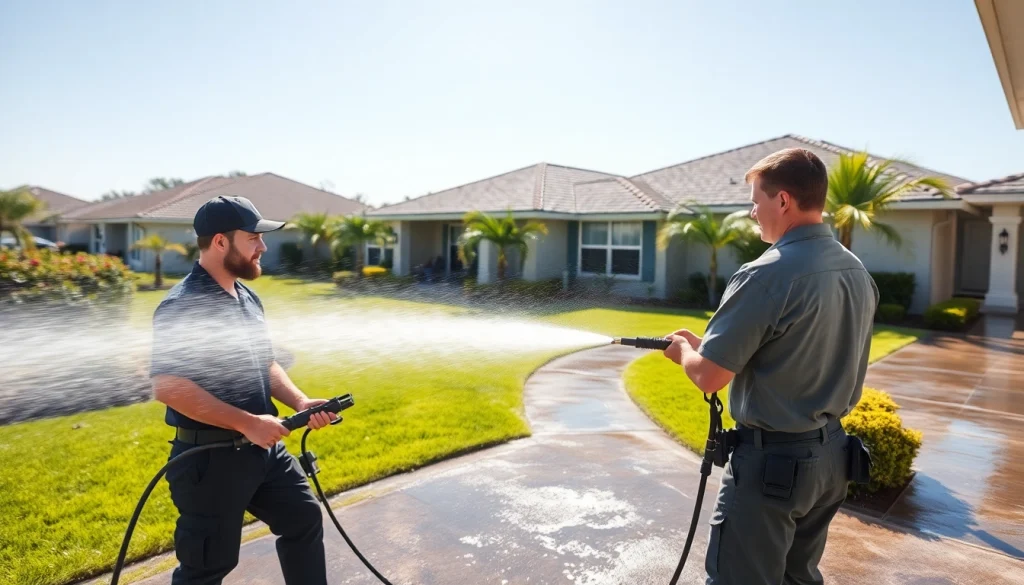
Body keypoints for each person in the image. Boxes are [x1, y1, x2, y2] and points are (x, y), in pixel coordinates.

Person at [661, 148, 879, 585]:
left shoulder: (765, 274)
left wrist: (684, 353)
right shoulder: (855, 270)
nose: (752, 212)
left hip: (773, 471)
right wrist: (718, 348)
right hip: (831, 462)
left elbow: (709, 376)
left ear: (782, 201)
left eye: (756, 201)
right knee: (797, 579)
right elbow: (796, 349)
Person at [150, 195, 335, 585]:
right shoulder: (184, 305)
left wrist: (300, 402)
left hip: (264, 450)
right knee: (207, 566)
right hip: (211, 460)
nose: (262, 247)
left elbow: (264, 362)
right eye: (253, 238)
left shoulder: (247, 296)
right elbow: (168, 385)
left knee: (302, 519)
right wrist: (247, 422)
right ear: (221, 242)